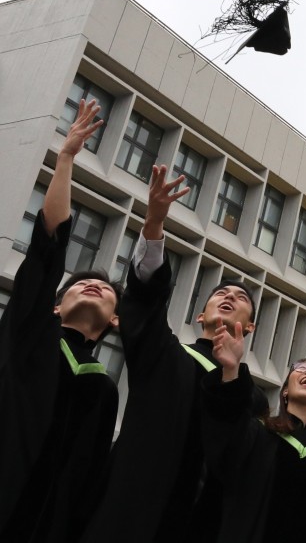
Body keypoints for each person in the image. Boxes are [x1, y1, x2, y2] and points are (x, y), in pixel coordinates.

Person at [81, 164, 262, 543]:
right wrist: (154, 224)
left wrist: (230, 375)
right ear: (200, 316)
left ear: (250, 329)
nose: (229, 296)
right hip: (128, 514)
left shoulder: (250, 398)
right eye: (220, 295)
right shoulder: (165, 355)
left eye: (241, 298)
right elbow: (145, 302)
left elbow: (232, 465)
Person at [0, 100, 121, 542]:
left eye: (106, 290)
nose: (94, 286)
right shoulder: (29, 337)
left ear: (114, 322)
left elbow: (89, 483)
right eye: (79, 284)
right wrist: (65, 158)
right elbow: (48, 246)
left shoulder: (104, 391)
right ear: (53, 306)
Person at [201, 322, 306, 543]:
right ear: (285, 391)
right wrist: (231, 371)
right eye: (300, 367)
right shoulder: (258, 435)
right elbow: (224, 440)